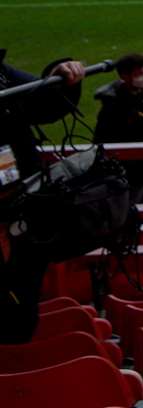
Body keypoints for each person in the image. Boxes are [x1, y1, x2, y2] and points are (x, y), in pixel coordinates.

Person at [0, 51, 86, 342]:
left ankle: (20, 370)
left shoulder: (2, 75)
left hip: (19, 211)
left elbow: (46, 104)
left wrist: (63, 76)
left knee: (20, 309)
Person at [93, 52, 143, 203]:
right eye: (140, 73)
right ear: (124, 76)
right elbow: (103, 138)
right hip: (132, 168)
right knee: (130, 206)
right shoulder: (114, 106)